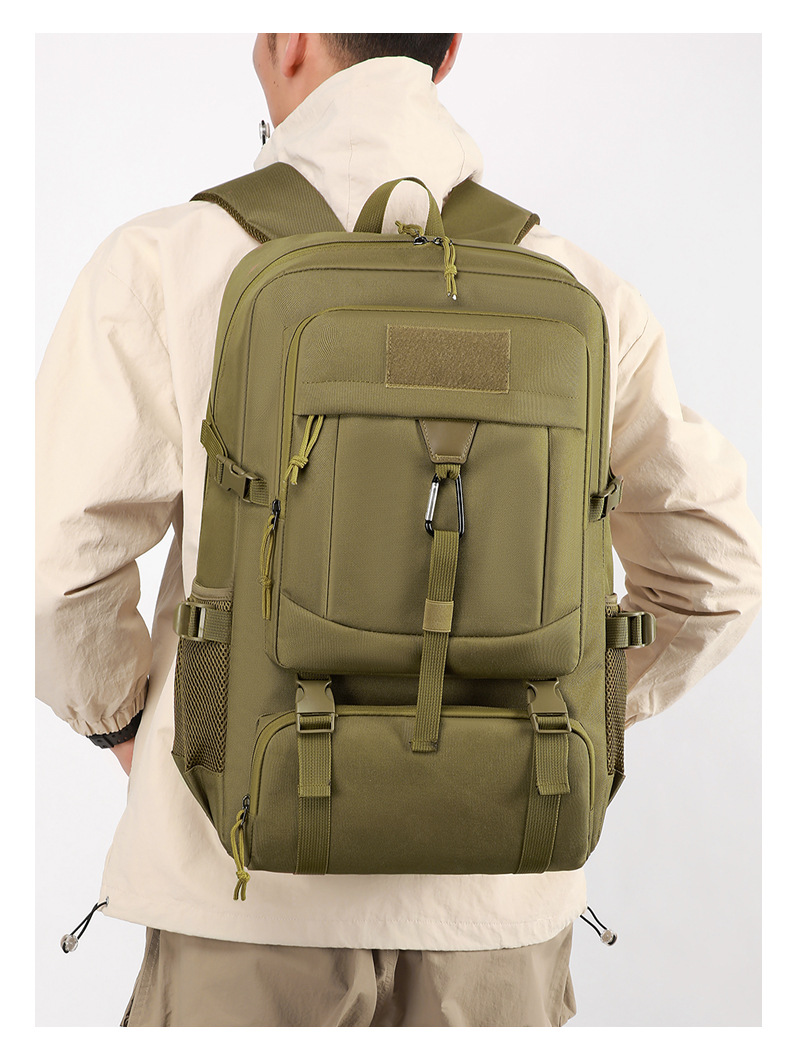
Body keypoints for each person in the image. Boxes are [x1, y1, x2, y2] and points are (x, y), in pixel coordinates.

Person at [35, 33, 762, 1027]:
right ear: (448, 49)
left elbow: (54, 570)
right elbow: (717, 574)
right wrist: (549, 723)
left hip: (238, 889)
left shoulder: (166, 261)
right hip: (497, 911)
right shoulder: (579, 288)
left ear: (290, 37)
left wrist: (132, 722)